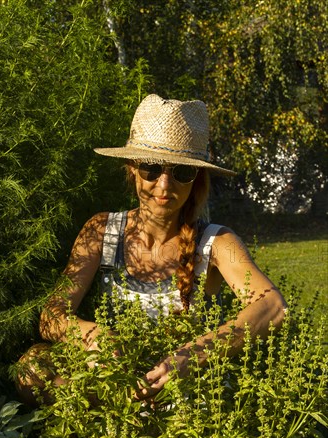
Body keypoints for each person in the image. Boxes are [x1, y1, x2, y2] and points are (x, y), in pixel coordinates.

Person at [16, 94, 287, 406]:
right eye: (151, 168)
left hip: (183, 402)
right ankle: (113, 415)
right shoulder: (102, 231)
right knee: (30, 367)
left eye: (181, 172)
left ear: (196, 180)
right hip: (109, 386)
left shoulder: (215, 242)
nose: (164, 184)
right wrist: (93, 337)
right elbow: (51, 315)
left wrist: (194, 354)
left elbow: (273, 307)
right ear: (132, 169)